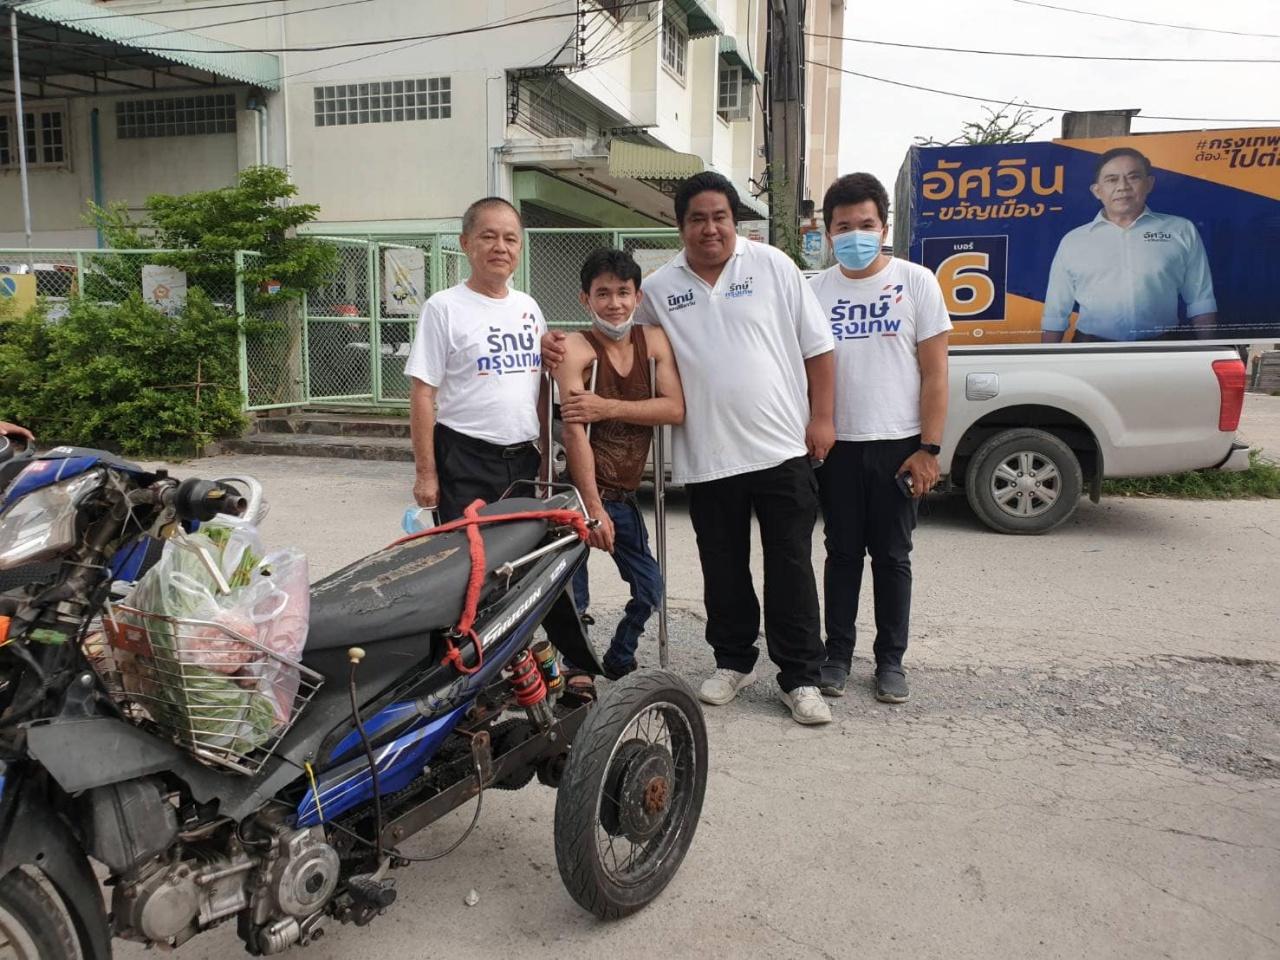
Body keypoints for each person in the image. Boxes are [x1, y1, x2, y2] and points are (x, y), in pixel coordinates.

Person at [550, 172, 837, 726]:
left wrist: (823, 419)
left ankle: (800, 676)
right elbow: (621, 335)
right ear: (680, 226)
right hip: (707, 456)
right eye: (697, 219)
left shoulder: (773, 265)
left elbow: (818, 347)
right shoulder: (659, 288)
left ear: (735, 220)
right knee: (722, 568)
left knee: (791, 567)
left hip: (781, 446)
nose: (710, 228)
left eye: (720, 217)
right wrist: (554, 342)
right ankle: (732, 661)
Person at [808, 173, 951, 705]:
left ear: (883, 227)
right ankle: (837, 657)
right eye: (843, 226)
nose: (854, 234)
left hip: (899, 445)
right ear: (827, 233)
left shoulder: (917, 282)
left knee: (893, 557)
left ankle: (891, 662)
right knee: (841, 554)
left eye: (865, 224)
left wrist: (929, 448)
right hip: (837, 447)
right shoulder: (814, 291)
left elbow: (935, 374)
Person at [553, 248, 685, 680]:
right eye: (603, 293)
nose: (615, 303)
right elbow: (575, 430)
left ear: (638, 296)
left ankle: (620, 654)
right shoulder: (576, 349)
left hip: (625, 496)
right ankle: (578, 670)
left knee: (650, 588)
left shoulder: (654, 342)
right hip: (580, 495)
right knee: (577, 597)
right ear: (585, 300)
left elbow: (673, 409)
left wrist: (606, 407)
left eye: (623, 293)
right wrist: (591, 508)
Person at [405, 197, 545, 522]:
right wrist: (426, 474)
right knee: (469, 560)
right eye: (488, 236)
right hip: (465, 458)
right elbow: (422, 394)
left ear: (519, 249)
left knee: (518, 559)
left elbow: (538, 385)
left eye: (510, 239)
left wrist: (546, 454)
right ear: (466, 243)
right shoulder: (444, 308)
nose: (501, 247)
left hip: (524, 459)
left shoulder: (529, 307)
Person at [1042, 147, 1217, 343]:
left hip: (1163, 348)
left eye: (1133, 177)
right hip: (1091, 349)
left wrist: (1208, 349)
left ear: (1149, 183)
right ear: (1097, 191)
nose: (1122, 186)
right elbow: (1055, 312)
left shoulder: (1181, 230)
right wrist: (1045, 360)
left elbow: (1201, 300)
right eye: (1111, 179)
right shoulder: (1073, 241)